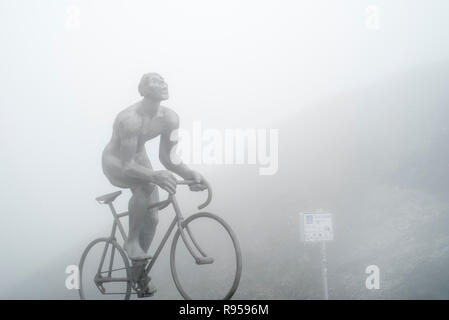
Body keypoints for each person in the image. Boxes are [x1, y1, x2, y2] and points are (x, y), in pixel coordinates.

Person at [101, 73, 208, 294]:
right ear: (142, 90)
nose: (163, 84)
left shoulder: (170, 118)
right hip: (116, 161)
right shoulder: (129, 119)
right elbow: (127, 166)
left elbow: (168, 158)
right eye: (155, 81)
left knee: (153, 217)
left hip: (138, 158)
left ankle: (139, 275)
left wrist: (190, 172)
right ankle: (131, 242)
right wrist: (154, 176)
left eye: (164, 81)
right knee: (146, 186)